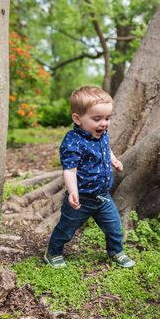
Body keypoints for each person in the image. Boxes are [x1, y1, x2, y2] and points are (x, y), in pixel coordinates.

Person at [44, 85, 135, 269]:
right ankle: (53, 252)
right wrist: (72, 192)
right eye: (97, 119)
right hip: (82, 198)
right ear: (77, 119)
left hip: (102, 197)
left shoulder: (101, 134)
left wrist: (114, 160)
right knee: (66, 229)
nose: (104, 123)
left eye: (107, 118)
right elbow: (69, 170)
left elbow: (105, 148)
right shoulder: (73, 142)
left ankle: (116, 251)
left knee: (115, 228)